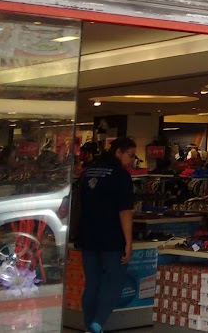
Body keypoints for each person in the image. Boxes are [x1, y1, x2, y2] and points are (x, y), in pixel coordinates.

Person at [76, 137, 136, 333]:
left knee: (92, 283)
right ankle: (97, 323)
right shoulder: (121, 175)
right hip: (111, 237)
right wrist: (128, 242)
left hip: (87, 235)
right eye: (130, 155)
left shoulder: (88, 171)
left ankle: (89, 326)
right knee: (113, 281)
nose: (132, 160)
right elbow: (125, 211)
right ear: (118, 152)